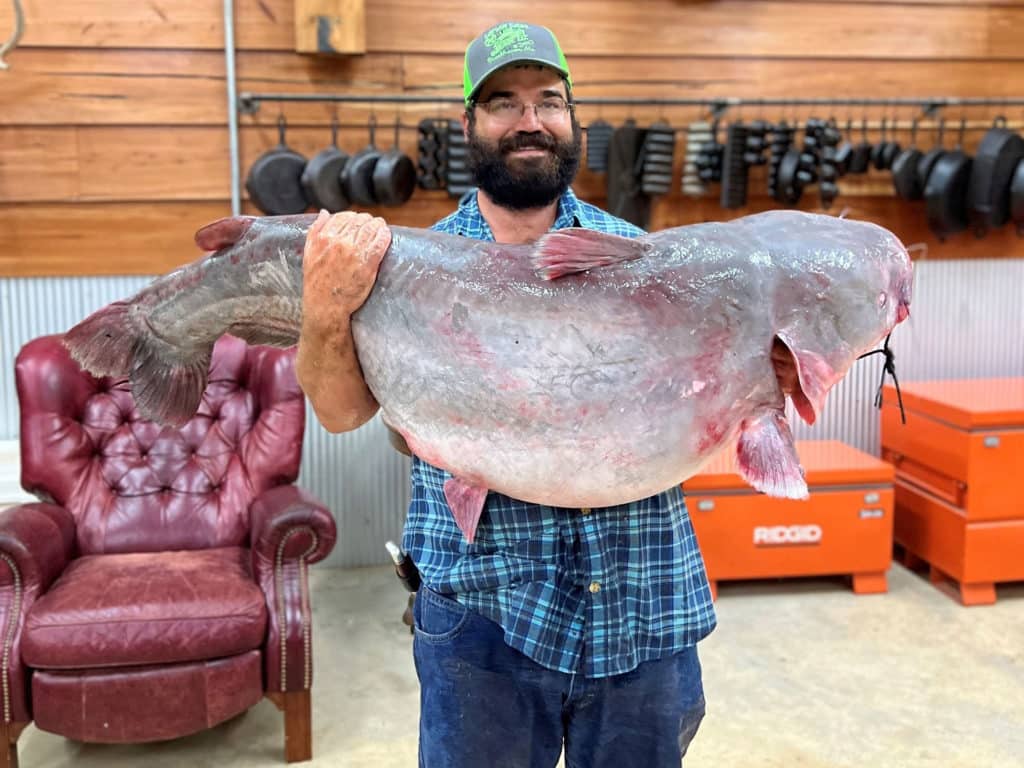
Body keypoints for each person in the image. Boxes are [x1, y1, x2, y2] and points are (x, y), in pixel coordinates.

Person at [297, 21, 719, 768]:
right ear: (469, 126)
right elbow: (338, 412)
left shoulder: (646, 261)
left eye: (548, 101)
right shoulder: (404, 266)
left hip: (641, 600)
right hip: (483, 618)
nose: (530, 122)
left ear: (572, 119)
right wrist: (328, 307)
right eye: (503, 103)